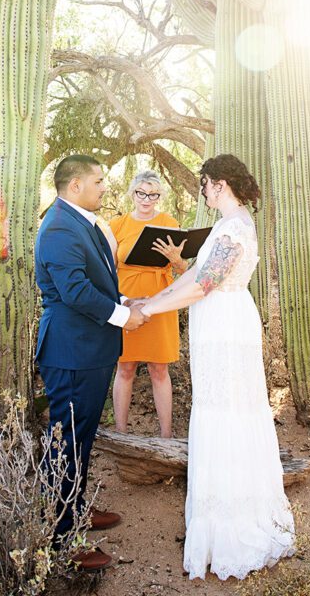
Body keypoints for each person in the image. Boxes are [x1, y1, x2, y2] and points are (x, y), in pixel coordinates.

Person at [140, 154, 295, 581]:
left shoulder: (235, 228)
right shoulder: (228, 224)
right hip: (219, 322)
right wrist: (152, 301)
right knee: (218, 407)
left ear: (220, 184)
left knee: (227, 410)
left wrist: (149, 310)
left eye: (205, 184)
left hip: (226, 326)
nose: (203, 191)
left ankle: (231, 525)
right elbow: (195, 276)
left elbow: (205, 285)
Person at [35, 154, 146, 572]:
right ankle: (62, 539)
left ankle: (76, 507)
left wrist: (123, 301)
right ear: (75, 185)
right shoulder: (59, 226)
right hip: (72, 352)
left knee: (79, 438)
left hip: (88, 349)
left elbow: (98, 282)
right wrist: (122, 317)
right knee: (66, 441)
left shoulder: (83, 221)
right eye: (98, 181)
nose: (104, 187)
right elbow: (75, 290)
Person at [110, 171, 188, 438]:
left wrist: (176, 260)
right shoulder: (117, 225)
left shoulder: (169, 222)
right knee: (125, 367)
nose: (146, 199)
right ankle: (120, 433)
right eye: (141, 193)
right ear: (132, 193)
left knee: (159, 368)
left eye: (153, 194)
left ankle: (166, 436)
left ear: (159, 197)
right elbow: (107, 268)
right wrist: (117, 300)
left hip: (161, 299)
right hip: (126, 301)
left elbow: (183, 269)